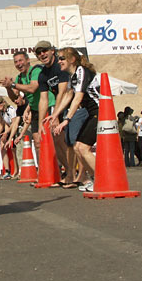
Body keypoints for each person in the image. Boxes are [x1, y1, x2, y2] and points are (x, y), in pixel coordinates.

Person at [49, 47, 101, 192]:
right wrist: (55, 114)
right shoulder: (72, 76)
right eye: (59, 58)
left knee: (82, 147)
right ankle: (93, 179)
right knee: (77, 146)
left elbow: (77, 98)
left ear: (72, 60)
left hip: (100, 112)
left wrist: (67, 119)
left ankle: (102, 178)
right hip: (92, 113)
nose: (59, 61)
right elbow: (68, 95)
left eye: (62, 58)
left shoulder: (81, 71)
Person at [35, 40, 74, 186]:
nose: (42, 54)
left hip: (73, 103)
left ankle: (77, 175)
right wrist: (40, 124)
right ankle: (70, 172)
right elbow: (43, 100)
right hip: (61, 107)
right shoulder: (43, 75)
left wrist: (56, 115)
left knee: (73, 141)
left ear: (53, 51)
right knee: (57, 139)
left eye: (45, 50)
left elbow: (63, 91)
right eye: (39, 53)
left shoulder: (60, 66)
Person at [0, 51, 46, 162]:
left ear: (28, 60)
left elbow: (32, 88)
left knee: (52, 140)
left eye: (21, 60)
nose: (18, 64)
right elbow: (16, 99)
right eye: (16, 62)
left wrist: (13, 85)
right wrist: (8, 88)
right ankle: (42, 172)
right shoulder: (19, 78)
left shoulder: (36, 70)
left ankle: (61, 169)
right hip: (35, 110)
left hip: (46, 107)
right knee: (37, 142)